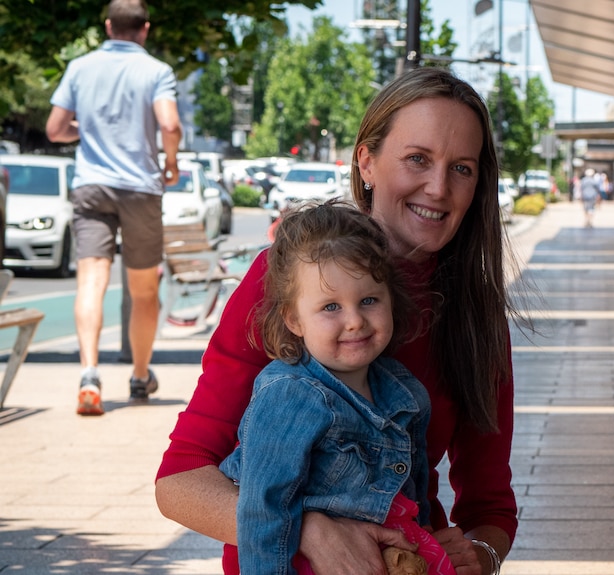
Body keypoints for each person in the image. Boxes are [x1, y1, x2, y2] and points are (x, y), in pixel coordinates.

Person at [156, 67, 516, 575]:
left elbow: (490, 506)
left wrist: (480, 555)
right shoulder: (285, 279)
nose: (439, 188)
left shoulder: (475, 314)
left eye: (462, 168)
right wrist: (306, 529)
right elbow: (179, 480)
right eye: (418, 159)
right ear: (366, 162)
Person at [218, 201, 454, 575]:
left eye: (369, 300)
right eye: (331, 307)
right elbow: (263, 512)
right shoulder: (289, 397)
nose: (355, 321)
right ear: (294, 319)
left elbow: (416, 491)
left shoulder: (405, 392)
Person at [45, 0, 181, 416]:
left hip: (91, 186)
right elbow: (170, 124)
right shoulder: (156, 71)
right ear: (145, 29)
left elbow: (54, 129)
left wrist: (89, 131)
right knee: (143, 292)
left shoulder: (80, 68)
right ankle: (140, 376)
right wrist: (170, 163)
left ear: (107, 26)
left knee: (91, 280)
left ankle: (89, 374)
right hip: (140, 189)